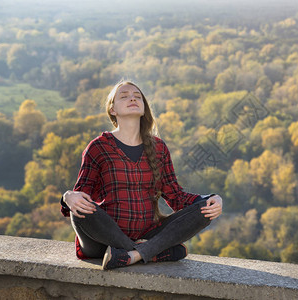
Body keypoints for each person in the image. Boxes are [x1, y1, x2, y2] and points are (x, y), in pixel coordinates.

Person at [60, 80, 223, 270]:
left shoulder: (159, 148)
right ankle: (153, 252)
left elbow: (177, 198)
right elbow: (81, 197)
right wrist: (67, 197)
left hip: (148, 233)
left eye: (137, 96)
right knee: (80, 210)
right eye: (124, 96)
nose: (132, 98)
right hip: (102, 240)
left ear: (144, 108)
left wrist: (211, 199)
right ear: (112, 110)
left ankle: (133, 255)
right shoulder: (98, 147)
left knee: (204, 209)